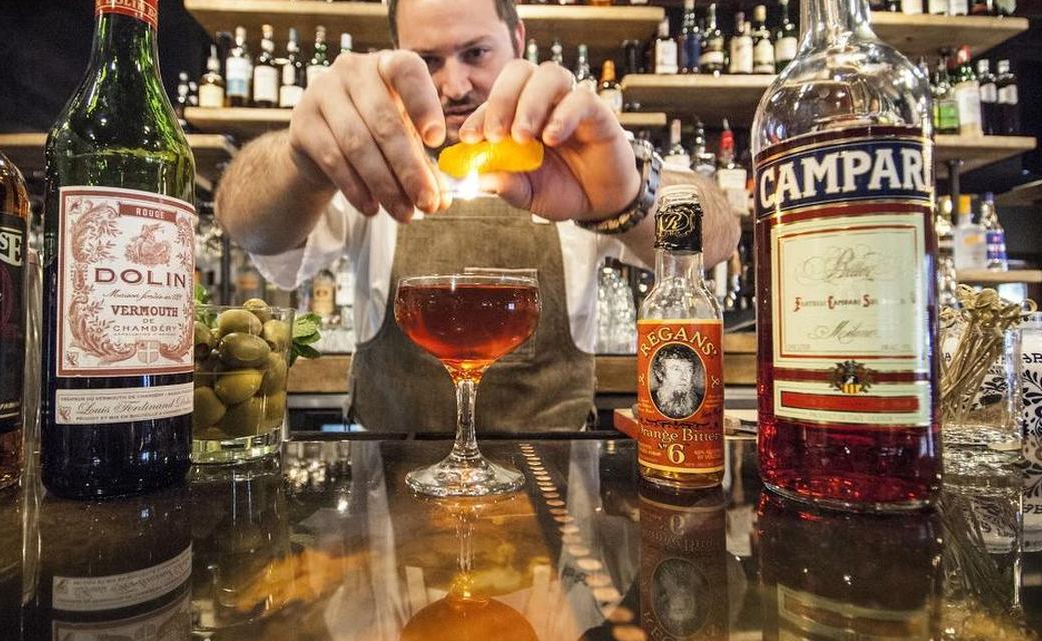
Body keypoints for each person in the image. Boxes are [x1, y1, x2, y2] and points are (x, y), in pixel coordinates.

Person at [215, 0, 740, 432]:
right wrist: (301, 161)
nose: (456, 85)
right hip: (392, 493)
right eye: (428, 60)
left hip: (553, 495)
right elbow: (246, 222)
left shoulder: (571, 146)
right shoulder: (365, 161)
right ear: (397, 59)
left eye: (475, 52)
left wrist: (628, 197)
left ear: (518, 40)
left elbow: (720, 235)